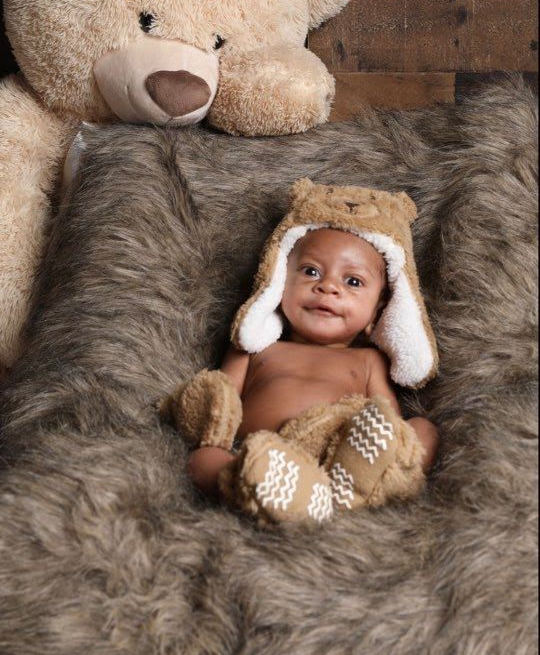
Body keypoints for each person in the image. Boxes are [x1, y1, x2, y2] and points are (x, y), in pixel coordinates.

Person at [165, 180, 440, 524]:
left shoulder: (368, 360)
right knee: (203, 458)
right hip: (261, 456)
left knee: (422, 430)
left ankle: (352, 486)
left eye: (353, 281)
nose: (328, 287)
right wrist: (215, 440)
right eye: (310, 271)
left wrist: (385, 447)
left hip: (336, 457)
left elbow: (385, 423)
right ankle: (267, 490)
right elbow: (221, 404)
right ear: (279, 282)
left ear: (378, 310)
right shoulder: (256, 348)